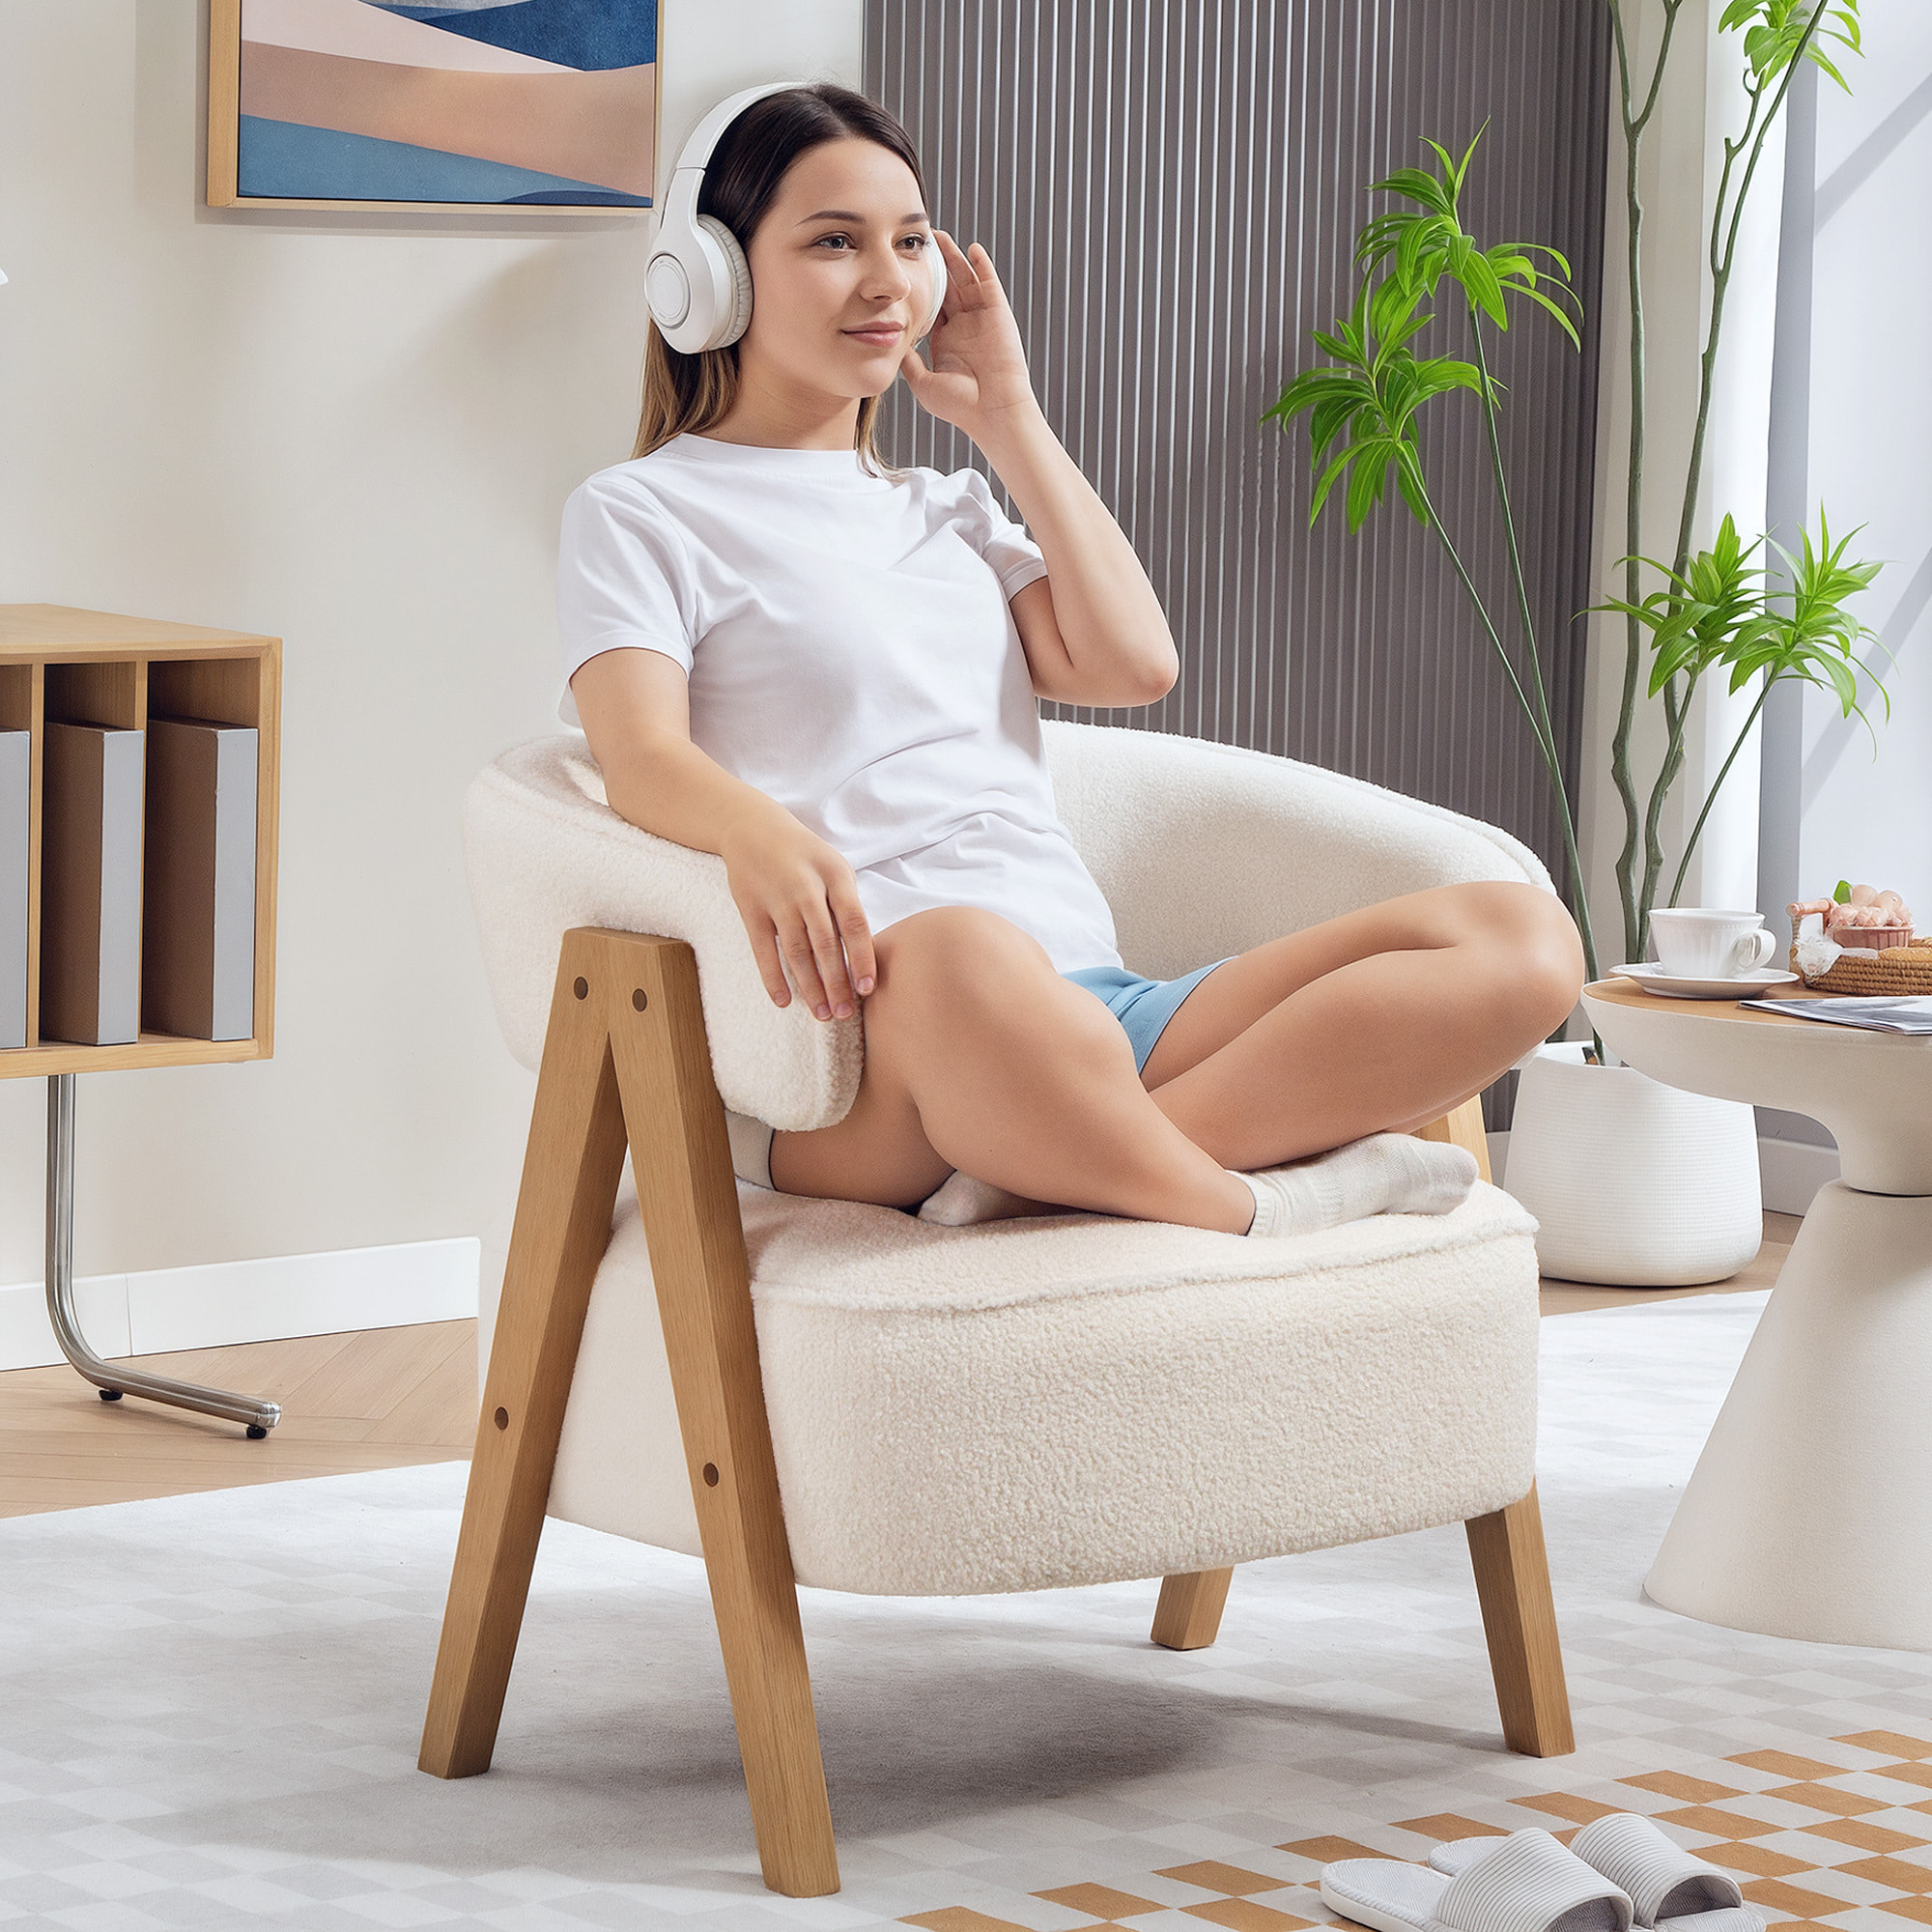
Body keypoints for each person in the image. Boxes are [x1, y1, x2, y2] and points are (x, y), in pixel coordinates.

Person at [557, 82, 1584, 1239]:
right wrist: (759, 831)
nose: (888, 280)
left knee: (1523, 938)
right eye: (834, 241)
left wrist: (1007, 415)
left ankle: (1050, 1161)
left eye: (910, 240)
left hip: (1093, 1010)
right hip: (868, 1045)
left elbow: (1132, 662)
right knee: (962, 946)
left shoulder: (946, 507)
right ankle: (1248, 1204)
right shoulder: (640, 511)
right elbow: (637, 753)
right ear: (714, 275)